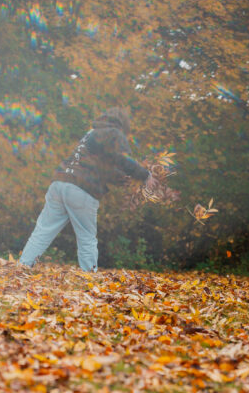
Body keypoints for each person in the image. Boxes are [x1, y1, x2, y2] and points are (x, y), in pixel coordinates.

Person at [18, 107, 157, 272]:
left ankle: (23, 267)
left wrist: (119, 178)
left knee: (43, 230)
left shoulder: (92, 133)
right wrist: (145, 175)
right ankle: (89, 276)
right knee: (86, 237)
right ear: (123, 124)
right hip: (81, 188)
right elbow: (121, 159)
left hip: (59, 182)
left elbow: (99, 164)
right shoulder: (113, 132)